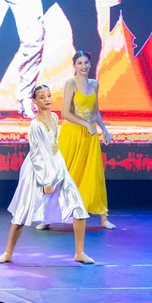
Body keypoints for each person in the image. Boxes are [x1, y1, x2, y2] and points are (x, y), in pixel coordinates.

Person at [0, 85, 94, 265]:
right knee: (23, 212)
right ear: (34, 101)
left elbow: (53, 146)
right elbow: (37, 155)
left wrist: (58, 167)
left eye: (48, 96)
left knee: (78, 207)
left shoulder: (54, 117)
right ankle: (8, 252)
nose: (47, 99)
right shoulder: (35, 125)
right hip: (38, 170)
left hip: (57, 164)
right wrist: (46, 181)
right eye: (42, 97)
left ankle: (79, 252)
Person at [57, 51, 114, 229]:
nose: (83, 66)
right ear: (74, 65)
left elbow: (95, 111)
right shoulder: (70, 83)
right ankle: (47, 218)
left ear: (90, 64)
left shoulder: (94, 84)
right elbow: (65, 113)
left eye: (86, 63)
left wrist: (104, 131)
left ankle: (103, 218)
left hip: (90, 136)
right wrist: (86, 124)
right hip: (72, 133)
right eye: (80, 63)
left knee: (93, 175)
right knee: (63, 174)